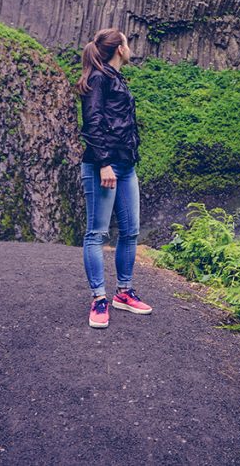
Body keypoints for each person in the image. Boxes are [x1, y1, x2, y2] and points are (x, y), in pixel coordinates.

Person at [76, 28, 152, 328]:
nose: (130, 46)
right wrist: (105, 164)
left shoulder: (116, 78)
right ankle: (99, 299)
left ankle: (123, 292)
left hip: (126, 165)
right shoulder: (97, 79)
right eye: (127, 42)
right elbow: (92, 123)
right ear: (119, 48)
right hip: (102, 167)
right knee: (97, 233)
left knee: (131, 231)